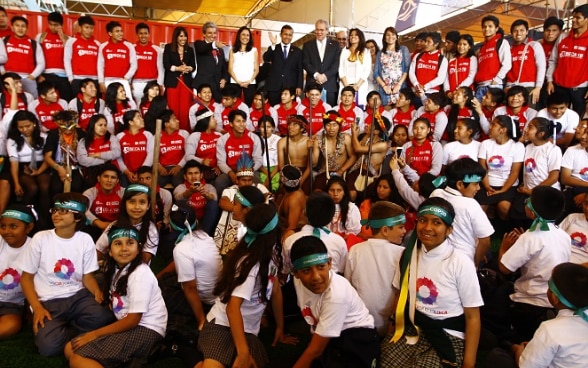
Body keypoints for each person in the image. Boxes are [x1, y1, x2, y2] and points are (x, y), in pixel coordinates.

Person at [380, 197, 483, 368]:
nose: (427, 228)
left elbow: (473, 317)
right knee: (385, 360)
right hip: (414, 327)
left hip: (448, 334)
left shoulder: (460, 262)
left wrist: (468, 364)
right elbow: (400, 296)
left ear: (449, 229)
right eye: (423, 220)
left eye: (436, 222)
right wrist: (391, 335)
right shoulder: (408, 257)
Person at [19, 193, 115, 356]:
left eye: (63, 211)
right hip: (48, 300)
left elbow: (87, 277)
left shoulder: (85, 239)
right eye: (55, 210)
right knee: (48, 348)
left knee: (105, 317)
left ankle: (63, 329)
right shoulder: (40, 238)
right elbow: (26, 278)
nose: (56, 214)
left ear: (77, 217)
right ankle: (71, 330)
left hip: (78, 296)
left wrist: (97, 292)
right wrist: (37, 307)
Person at [198, 204, 293, 367]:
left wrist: (280, 328)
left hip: (246, 331)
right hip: (221, 325)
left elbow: (275, 291)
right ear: (274, 233)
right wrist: (243, 354)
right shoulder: (251, 265)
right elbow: (232, 308)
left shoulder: (271, 253)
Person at [64, 226, 167, 367]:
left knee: (77, 359)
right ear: (110, 252)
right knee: (70, 348)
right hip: (126, 325)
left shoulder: (140, 274)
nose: (124, 248)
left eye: (130, 243)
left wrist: (94, 334)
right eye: (118, 243)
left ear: (138, 249)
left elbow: (133, 320)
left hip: (146, 330)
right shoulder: (115, 269)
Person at [291, 236, 379, 367]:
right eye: (306, 270)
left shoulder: (336, 296)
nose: (315, 277)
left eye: (321, 267)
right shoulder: (298, 282)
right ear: (296, 273)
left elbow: (315, 350)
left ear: (329, 263)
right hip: (328, 334)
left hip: (356, 338)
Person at [499, 186, 570, 342]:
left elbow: (504, 268)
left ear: (532, 210)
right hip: (554, 301)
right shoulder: (564, 235)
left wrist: (504, 248)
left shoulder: (530, 237)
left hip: (529, 302)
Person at [484, 262, 588, 368]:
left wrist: (517, 350)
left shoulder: (550, 329)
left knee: (498, 357)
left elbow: (526, 366)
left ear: (555, 298)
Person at [346, 201, 406, 335]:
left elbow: (348, 285)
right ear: (385, 230)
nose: (404, 231)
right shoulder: (402, 254)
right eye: (401, 227)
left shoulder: (355, 250)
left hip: (357, 324)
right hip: (388, 327)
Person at [430, 158, 494, 266]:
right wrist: (475, 264)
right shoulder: (471, 204)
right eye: (476, 184)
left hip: (435, 256)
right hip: (463, 261)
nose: (478, 188)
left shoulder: (435, 194)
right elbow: (485, 240)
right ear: (460, 184)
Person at [172, 206, 222, 330]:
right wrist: (159, 275)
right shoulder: (205, 236)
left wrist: (201, 320)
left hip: (206, 300)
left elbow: (190, 288)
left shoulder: (181, 249)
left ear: (172, 226)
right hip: (220, 293)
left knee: (166, 293)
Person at [213, 154, 268, 255]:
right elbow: (223, 202)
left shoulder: (259, 187)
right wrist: (242, 210)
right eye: (243, 180)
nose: (247, 183)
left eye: (249, 180)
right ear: (237, 180)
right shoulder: (230, 190)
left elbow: (267, 201)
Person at [282, 192, 347, 275]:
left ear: (304, 212)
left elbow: (287, 270)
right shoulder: (339, 242)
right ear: (331, 217)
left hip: (298, 285)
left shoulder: (290, 240)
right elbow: (341, 269)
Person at [511, 117, 562, 221]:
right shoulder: (528, 147)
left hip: (546, 192)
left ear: (541, 133)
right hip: (527, 190)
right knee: (515, 215)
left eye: (530, 127)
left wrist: (534, 191)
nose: (525, 129)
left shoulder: (553, 149)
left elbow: (553, 177)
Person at [95, 184, 159, 264]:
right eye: (132, 202)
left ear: (148, 206)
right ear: (125, 204)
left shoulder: (151, 229)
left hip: (137, 272)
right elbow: (98, 251)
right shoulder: (114, 225)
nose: (137, 207)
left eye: (142, 202)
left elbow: (145, 260)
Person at [7, 110, 51, 228]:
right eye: (21, 127)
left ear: (34, 124)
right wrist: (16, 183)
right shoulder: (13, 140)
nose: (25, 129)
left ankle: (45, 219)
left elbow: (48, 158)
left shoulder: (44, 136)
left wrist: (38, 171)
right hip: (23, 167)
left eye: (28, 126)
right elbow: (14, 163)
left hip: (42, 166)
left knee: (44, 186)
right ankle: (27, 215)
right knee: (32, 187)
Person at [476, 115, 524, 222]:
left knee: (504, 207)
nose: (489, 127)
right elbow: (482, 169)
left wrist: (502, 190)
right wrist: (487, 186)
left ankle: (504, 231)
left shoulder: (517, 146)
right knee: (479, 209)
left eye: (493, 125)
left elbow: (515, 173)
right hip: (488, 183)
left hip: (508, 186)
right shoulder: (486, 144)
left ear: (503, 130)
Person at [0, 205, 36, 339]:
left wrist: (30, 307)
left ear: (29, 227)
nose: (6, 231)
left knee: (12, 324)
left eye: (13, 226)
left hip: (12, 304)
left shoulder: (35, 247)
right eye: (3, 226)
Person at [546, 4, 588, 117]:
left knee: (577, 119)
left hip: (580, 88)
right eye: (573, 16)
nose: (573, 20)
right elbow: (553, 60)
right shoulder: (563, 37)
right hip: (559, 86)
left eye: (578, 17)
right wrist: (550, 80)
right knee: (556, 117)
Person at [215, 110, 263, 196]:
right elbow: (221, 162)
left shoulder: (254, 137)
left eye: (243, 121)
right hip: (231, 170)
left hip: (250, 169)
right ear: (231, 124)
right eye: (238, 121)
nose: (242, 124)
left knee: (257, 181)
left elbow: (258, 159)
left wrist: (251, 171)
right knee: (219, 182)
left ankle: (255, 206)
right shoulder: (222, 139)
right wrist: (231, 174)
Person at [43, 110, 86, 195]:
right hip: (58, 166)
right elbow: (48, 157)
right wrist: (59, 168)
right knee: (56, 188)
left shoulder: (80, 134)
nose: (67, 128)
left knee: (77, 187)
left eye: (69, 124)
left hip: (76, 167)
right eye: (63, 125)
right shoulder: (53, 134)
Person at [311, 111, 357, 191]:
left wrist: (341, 171)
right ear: (324, 126)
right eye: (328, 125)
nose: (331, 128)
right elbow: (314, 163)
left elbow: (353, 157)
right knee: (317, 194)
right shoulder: (318, 139)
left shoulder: (346, 138)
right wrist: (309, 149)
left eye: (334, 125)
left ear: (339, 126)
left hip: (343, 171)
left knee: (352, 194)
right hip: (325, 172)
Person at [506, 19, 546, 109]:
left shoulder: (534, 45)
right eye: (515, 31)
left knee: (528, 113)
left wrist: (538, 87)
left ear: (527, 32)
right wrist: (507, 86)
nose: (518, 33)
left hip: (528, 87)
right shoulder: (509, 49)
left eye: (521, 30)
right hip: (511, 87)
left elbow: (541, 66)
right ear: (511, 33)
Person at [173, 159, 219, 237]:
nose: (193, 176)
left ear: (201, 175)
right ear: (185, 176)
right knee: (179, 204)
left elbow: (215, 198)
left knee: (213, 204)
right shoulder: (180, 187)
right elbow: (178, 198)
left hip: (205, 222)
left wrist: (205, 194)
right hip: (189, 223)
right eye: (190, 173)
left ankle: (204, 236)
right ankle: (188, 235)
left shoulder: (209, 187)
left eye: (196, 173)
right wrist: (190, 191)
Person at [3, 16, 45, 98]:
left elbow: (41, 63)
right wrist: (3, 73)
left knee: (32, 100)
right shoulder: (4, 41)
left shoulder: (33, 43)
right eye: (17, 25)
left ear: (27, 28)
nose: (20, 28)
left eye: (23, 26)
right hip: (9, 78)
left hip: (27, 78)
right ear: (12, 27)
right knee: (6, 100)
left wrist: (32, 76)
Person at [163, 26, 196, 132]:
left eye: (185, 36)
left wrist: (188, 68)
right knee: (173, 109)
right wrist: (178, 68)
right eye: (181, 36)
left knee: (185, 110)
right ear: (176, 37)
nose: (184, 38)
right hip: (173, 82)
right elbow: (166, 65)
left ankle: (184, 133)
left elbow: (193, 66)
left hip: (186, 83)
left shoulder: (190, 50)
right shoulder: (168, 47)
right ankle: (173, 132)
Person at [302, 19, 340, 106]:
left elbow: (336, 64)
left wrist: (325, 76)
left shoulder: (335, 45)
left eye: (322, 30)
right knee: (310, 114)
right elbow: (305, 62)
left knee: (330, 115)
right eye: (317, 29)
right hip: (312, 84)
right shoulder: (307, 45)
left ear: (327, 31)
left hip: (329, 85)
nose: (319, 32)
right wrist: (316, 75)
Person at [36, 11, 73, 102]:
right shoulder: (41, 37)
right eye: (50, 24)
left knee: (66, 100)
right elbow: (35, 56)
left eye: (56, 25)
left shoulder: (69, 39)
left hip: (64, 75)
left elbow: (71, 55)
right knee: (44, 100)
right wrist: (39, 75)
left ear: (61, 25)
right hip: (46, 74)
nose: (53, 27)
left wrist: (61, 36)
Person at [77, 113, 121, 187]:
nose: (103, 128)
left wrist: (97, 155)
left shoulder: (111, 138)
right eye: (100, 125)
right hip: (92, 173)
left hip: (111, 172)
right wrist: (103, 160)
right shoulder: (84, 141)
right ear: (93, 125)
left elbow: (116, 153)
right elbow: (82, 160)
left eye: (105, 125)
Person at [82, 163, 125, 241]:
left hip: (118, 226)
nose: (109, 180)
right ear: (99, 178)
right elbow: (82, 208)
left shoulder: (123, 192)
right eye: (106, 176)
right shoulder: (90, 192)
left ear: (117, 181)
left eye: (113, 177)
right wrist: (99, 223)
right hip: (96, 227)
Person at [263, 25, 303, 106]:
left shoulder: (297, 51)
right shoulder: (274, 48)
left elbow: (300, 70)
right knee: (273, 111)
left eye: (290, 35)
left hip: (290, 88)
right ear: (281, 35)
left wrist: (299, 86)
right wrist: (273, 45)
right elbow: (266, 58)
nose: (287, 37)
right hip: (274, 87)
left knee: (289, 112)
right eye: (285, 34)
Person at [474, 15, 511, 100]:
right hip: (480, 86)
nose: (486, 29)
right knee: (478, 112)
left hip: (493, 86)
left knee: (493, 112)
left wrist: (496, 80)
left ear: (496, 28)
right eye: (484, 27)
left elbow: (507, 64)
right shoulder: (481, 48)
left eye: (490, 26)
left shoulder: (501, 42)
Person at [357, 174, 405, 239]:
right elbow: (365, 229)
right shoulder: (367, 203)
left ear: (392, 190)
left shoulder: (397, 209)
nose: (380, 190)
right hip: (366, 239)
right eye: (379, 186)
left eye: (385, 187)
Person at [97, 21, 137, 98]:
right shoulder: (103, 46)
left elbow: (134, 65)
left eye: (121, 31)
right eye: (117, 31)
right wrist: (101, 82)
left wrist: (126, 78)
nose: (120, 33)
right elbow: (100, 65)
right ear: (110, 33)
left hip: (124, 80)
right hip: (107, 81)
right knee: (109, 105)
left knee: (127, 104)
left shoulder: (129, 46)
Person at [64, 16, 100, 98]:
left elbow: (101, 64)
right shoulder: (72, 41)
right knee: (78, 104)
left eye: (91, 28)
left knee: (95, 104)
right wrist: (70, 78)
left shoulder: (97, 44)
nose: (89, 30)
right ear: (80, 28)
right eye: (86, 27)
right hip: (77, 79)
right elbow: (67, 60)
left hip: (94, 79)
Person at [193, 21, 229, 103]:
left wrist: (224, 79)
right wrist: (214, 44)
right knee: (202, 113)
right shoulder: (199, 44)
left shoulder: (220, 50)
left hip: (217, 88)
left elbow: (224, 68)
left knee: (217, 113)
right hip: (203, 87)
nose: (213, 35)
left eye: (214, 33)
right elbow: (203, 48)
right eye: (209, 33)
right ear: (204, 34)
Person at [374, 26, 410, 106]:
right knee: (386, 112)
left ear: (396, 37)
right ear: (384, 38)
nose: (390, 37)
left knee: (400, 110)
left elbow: (406, 69)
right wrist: (384, 86)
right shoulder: (380, 53)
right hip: (385, 89)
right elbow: (375, 73)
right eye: (388, 35)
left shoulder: (403, 49)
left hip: (400, 86)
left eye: (393, 34)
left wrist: (399, 85)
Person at [400, 117, 443, 184]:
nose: (418, 131)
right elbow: (401, 168)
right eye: (415, 128)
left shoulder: (436, 145)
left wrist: (422, 181)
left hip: (430, 180)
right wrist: (415, 179)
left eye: (422, 128)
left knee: (443, 181)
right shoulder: (406, 146)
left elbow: (436, 169)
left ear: (428, 130)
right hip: (411, 180)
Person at [116, 110, 154, 186]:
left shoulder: (148, 135)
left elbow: (151, 154)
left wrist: (140, 173)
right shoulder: (119, 137)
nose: (142, 119)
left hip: (144, 173)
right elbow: (118, 158)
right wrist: (126, 172)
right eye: (138, 117)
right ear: (131, 122)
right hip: (126, 173)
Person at [185, 108, 222, 186]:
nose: (216, 120)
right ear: (206, 120)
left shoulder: (219, 135)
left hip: (217, 169)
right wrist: (202, 161)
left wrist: (219, 166)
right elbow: (188, 156)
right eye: (213, 118)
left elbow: (223, 155)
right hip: (200, 169)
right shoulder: (195, 136)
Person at [338, 28, 372, 107]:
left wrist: (357, 85)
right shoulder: (344, 51)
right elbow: (341, 69)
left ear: (360, 37)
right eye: (351, 35)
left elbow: (366, 70)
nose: (353, 37)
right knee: (343, 109)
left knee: (358, 110)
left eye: (355, 35)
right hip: (345, 85)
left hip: (360, 86)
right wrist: (346, 87)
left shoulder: (366, 51)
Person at [277, 115, 311, 193]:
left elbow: (310, 167)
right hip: (288, 173)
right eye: (289, 124)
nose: (290, 127)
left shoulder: (308, 142)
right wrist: (288, 181)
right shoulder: (282, 142)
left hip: (304, 174)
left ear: (302, 128)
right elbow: (281, 166)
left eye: (295, 125)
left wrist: (299, 183)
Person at [133, 23, 164, 107]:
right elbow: (129, 67)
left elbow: (160, 68)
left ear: (149, 34)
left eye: (145, 33)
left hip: (152, 83)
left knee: (152, 106)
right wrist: (130, 83)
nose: (143, 36)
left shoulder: (157, 49)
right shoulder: (132, 48)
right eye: (141, 33)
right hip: (136, 83)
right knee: (138, 106)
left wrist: (160, 83)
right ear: (137, 34)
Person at [409, 32, 448, 97]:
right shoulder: (418, 56)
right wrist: (416, 84)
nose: (425, 44)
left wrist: (425, 87)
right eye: (425, 41)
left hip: (432, 93)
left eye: (428, 42)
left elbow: (441, 78)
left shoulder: (442, 59)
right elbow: (411, 72)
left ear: (436, 44)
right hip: (415, 91)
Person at [227, 26, 259, 106]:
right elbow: (230, 69)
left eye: (248, 35)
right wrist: (238, 82)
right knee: (234, 105)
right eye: (243, 34)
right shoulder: (233, 50)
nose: (245, 37)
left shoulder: (254, 50)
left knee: (248, 105)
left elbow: (256, 69)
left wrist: (249, 81)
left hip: (250, 83)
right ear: (239, 36)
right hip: (235, 82)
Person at [157, 109, 188, 188]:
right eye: (174, 119)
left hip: (180, 167)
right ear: (166, 124)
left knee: (179, 184)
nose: (178, 121)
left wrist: (179, 166)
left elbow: (188, 153)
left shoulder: (184, 134)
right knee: (155, 183)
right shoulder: (157, 136)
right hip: (163, 168)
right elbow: (153, 156)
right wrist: (159, 166)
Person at [277, 165, 306, 241]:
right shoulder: (285, 194)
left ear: (282, 183)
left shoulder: (295, 198)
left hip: (295, 236)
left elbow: (292, 227)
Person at [443, 34, 477, 99]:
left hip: (465, 95)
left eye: (464, 44)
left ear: (469, 46)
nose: (461, 46)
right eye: (459, 44)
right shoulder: (451, 61)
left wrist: (458, 89)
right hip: (451, 95)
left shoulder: (472, 58)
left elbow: (471, 76)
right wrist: (447, 91)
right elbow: (446, 78)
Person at [560, 194, 588, 264]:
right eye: (586, 203)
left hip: (577, 269)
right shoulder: (572, 217)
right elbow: (555, 237)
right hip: (556, 257)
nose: (587, 208)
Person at [258, 116, 280, 192]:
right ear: (259, 128)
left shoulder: (278, 140)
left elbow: (279, 163)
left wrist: (270, 176)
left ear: (273, 128)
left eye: (268, 127)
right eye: (262, 127)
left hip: (275, 169)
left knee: (275, 181)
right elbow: (256, 160)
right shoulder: (257, 139)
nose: (266, 129)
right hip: (262, 169)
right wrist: (267, 174)